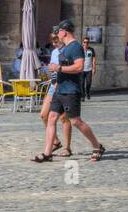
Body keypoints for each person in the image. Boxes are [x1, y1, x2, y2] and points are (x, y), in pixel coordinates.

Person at [36, 20, 104, 162]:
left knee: (76, 122)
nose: (57, 34)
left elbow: (79, 67)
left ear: (64, 32)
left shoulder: (75, 47)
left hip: (71, 91)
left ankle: (97, 146)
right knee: (51, 118)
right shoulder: (65, 48)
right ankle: (47, 153)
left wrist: (59, 68)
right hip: (59, 89)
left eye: (58, 31)